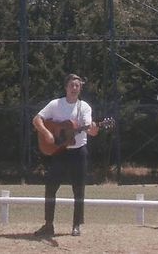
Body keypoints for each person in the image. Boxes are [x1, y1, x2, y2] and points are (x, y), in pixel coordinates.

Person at [32, 73, 99, 237]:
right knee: (50, 187)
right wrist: (47, 133)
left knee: (78, 189)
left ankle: (76, 225)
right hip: (59, 152)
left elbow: (89, 127)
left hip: (79, 152)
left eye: (77, 85)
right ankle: (48, 225)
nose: (74, 88)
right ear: (66, 87)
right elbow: (37, 119)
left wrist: (94, 129)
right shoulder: (56, 104)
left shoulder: (84, 107)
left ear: (80, 88)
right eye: (72, 85)